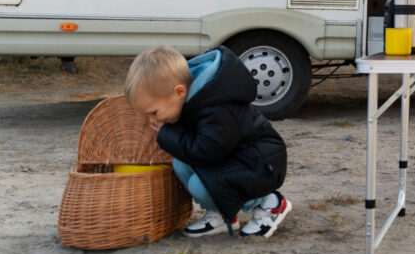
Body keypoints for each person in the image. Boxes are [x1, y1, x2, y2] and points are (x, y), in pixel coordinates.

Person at [124, 45, 291, 238]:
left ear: (179, 92)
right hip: (236, 160)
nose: (152, 121)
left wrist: (168, 135)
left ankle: (270, 203)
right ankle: (220, 213)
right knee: (181, 163)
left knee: (200, 185)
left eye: (154, 112)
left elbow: (207, 152)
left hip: (261, 165)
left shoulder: (216, 109)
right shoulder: (191, 101)